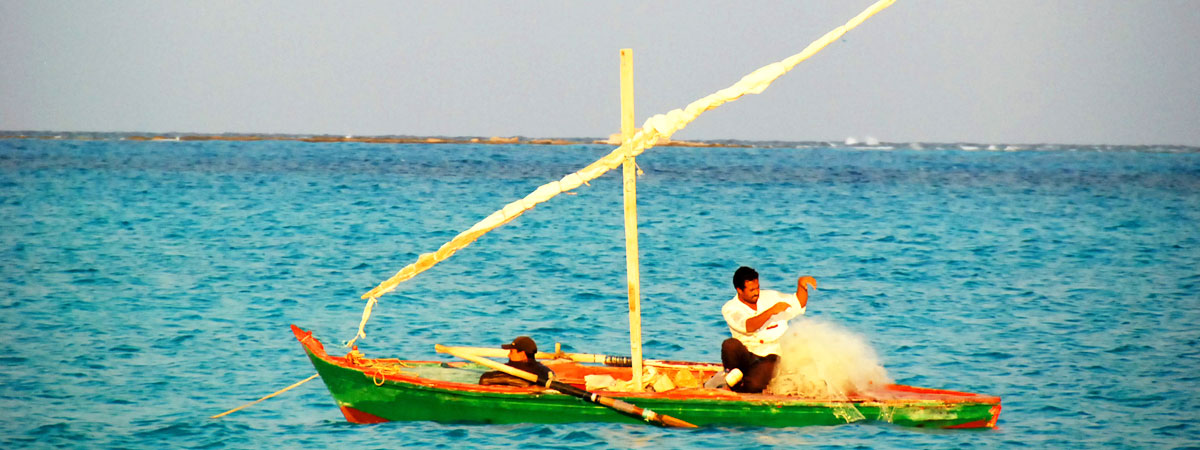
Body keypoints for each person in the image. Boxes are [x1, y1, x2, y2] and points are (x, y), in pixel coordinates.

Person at [719, 266, 817, 393]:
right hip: (746, 356)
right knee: (730, 345)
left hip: (769, 358)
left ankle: (744, 387)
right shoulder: (730, 308)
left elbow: (798, 303)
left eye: (758, 287)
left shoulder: (772, 297)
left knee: (758, 380)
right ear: (739, 290)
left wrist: (801, 285)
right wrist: (771, 312)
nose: (756, 292)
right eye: (752, 290)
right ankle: (732, 380)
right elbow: (748, 326)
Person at [478, 336, 555, 387]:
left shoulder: (511, 370)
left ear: (522, 354)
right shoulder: (544, 370)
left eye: (511, 352)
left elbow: (484, 380)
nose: (508, 355)